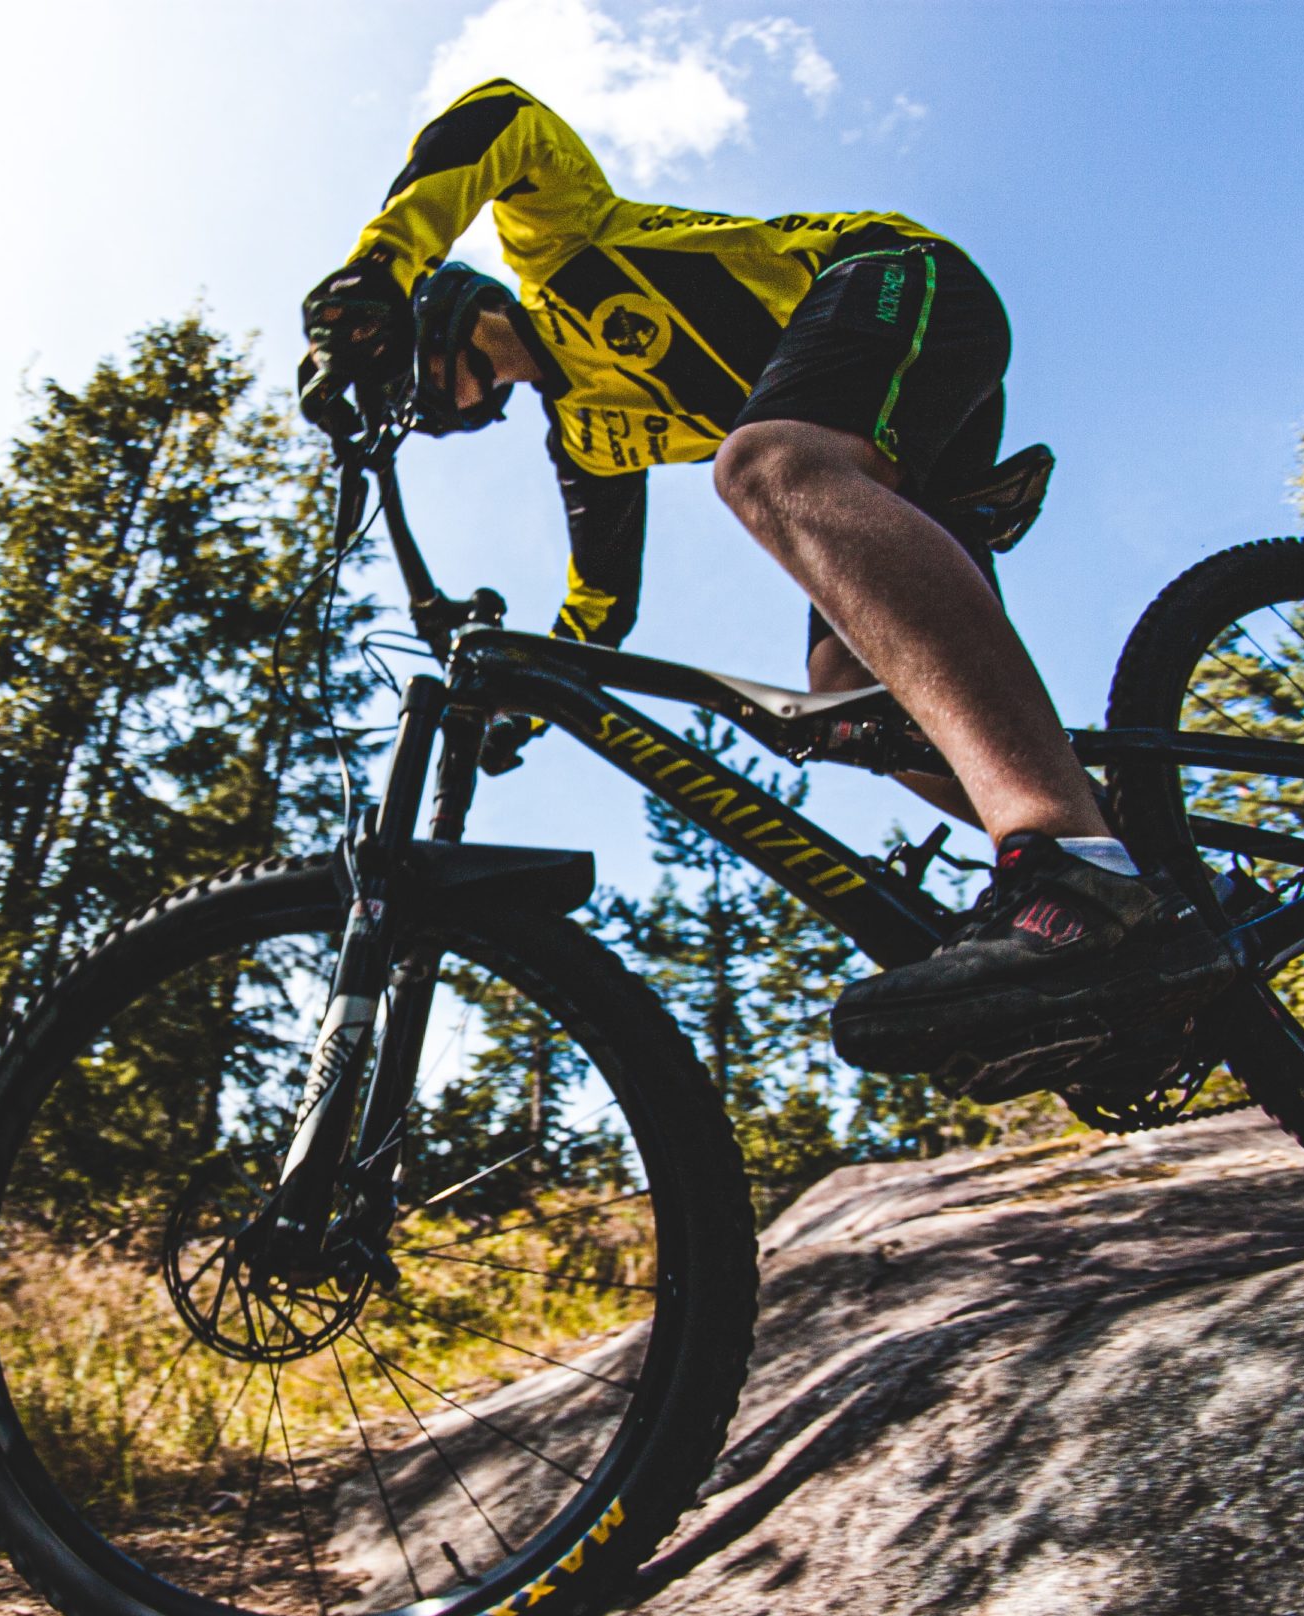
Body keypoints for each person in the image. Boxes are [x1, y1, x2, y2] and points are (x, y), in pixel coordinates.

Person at [299, 78, 1232, 1099]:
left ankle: (1069, 864)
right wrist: (517, 720)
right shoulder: (590, 439)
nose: (440, 413)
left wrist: (383, 262)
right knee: (842, 689)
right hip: (887, 444)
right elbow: (601, 603)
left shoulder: (556, 243)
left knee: (763, 468)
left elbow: (498, 118)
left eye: (423, 390)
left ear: (442, 322)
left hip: (890, 279)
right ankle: (1149, 875)